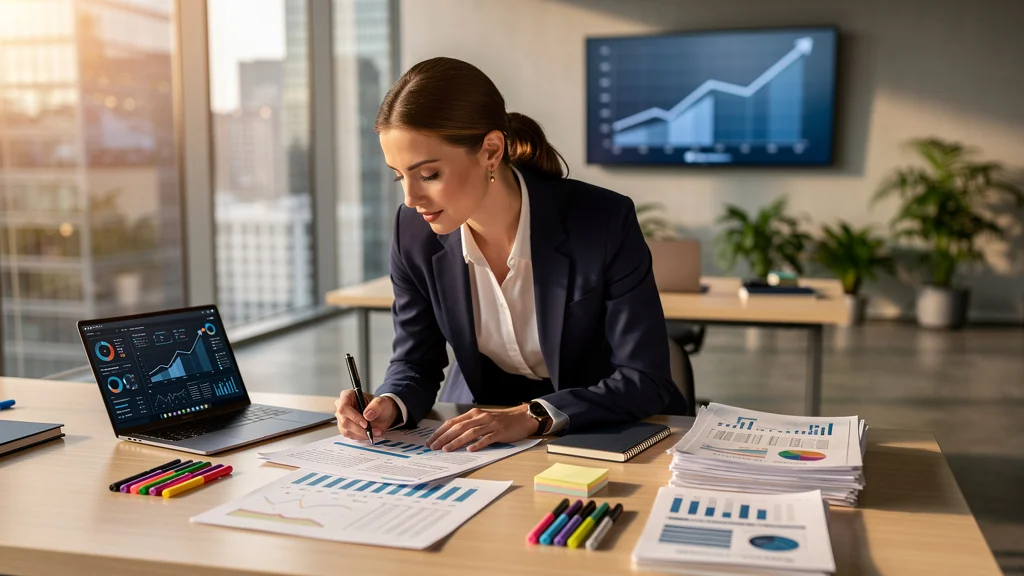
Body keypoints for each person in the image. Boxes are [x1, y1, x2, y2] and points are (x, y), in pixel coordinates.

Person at [335, 56, 688, 453]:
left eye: (428, 175)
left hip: (608, 429)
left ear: (490, 150)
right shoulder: (412, 231)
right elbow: (415, 361)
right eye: (399, 176)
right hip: (482, 430)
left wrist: (533, 415)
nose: (411, 198)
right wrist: (389, 404)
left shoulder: (602, 220)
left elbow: (645, 378)